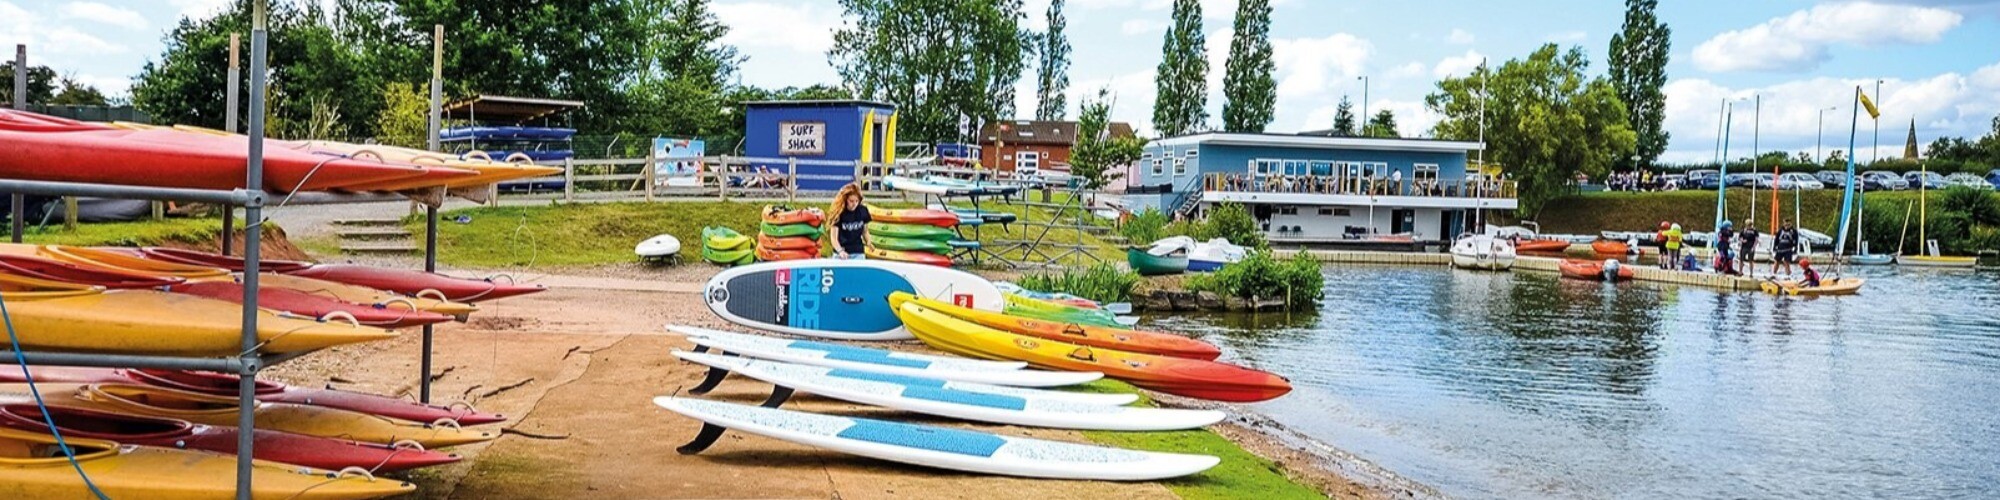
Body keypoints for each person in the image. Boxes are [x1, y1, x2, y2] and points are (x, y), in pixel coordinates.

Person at [827, 183, 871, 259]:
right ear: (845, 200)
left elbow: (865, 231)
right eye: (851, 201)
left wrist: (868, 241)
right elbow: (834, 238)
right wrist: (840, 251)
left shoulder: (863, 210)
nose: (854, 204)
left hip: (858, 252)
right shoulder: (838, 213)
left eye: (857, 201)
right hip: (841, 251)